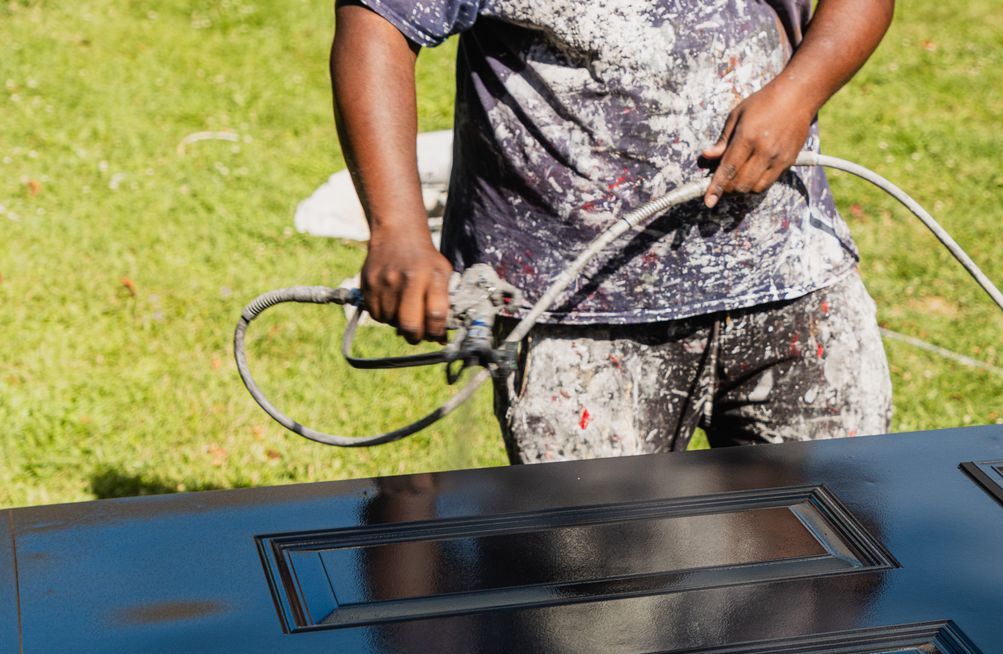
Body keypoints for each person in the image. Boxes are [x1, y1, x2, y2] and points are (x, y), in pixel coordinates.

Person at [329, 0, 896, 463]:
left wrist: (800, 91)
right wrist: (398, 231)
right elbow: (376, 23)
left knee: (832, 543)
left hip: (793, 276)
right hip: (575, 314)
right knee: (607, 564)